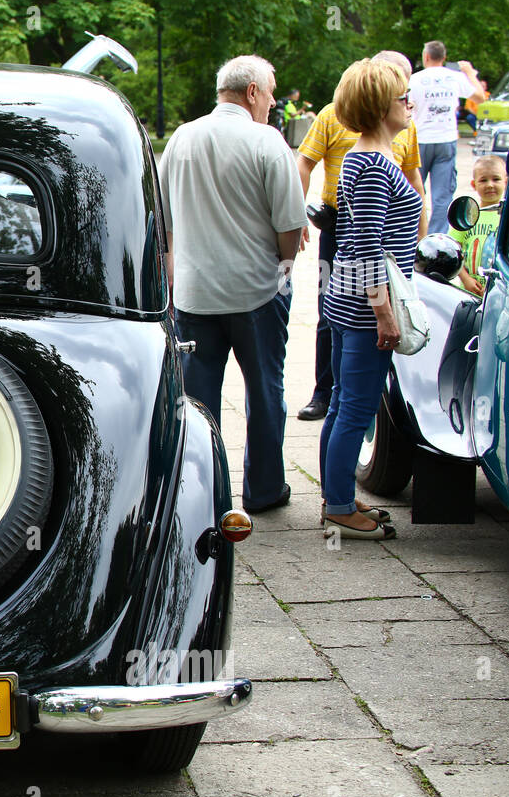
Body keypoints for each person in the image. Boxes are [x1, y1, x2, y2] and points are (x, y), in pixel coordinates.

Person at [159, 54, 306, 513]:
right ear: (253, 93)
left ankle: (204, 494)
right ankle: (263, 491)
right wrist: (284, 268)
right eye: (272, 90)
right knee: (265, 393)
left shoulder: (181, 138)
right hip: (256, 292)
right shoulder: (267, 141)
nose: (275, 100)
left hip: (194, 294)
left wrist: (171, 277)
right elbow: (291, 225)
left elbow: (160, 220)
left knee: (197, 403)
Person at [295, 50, 429, 422]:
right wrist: (297, 214)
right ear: (379, 99)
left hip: (381, 238)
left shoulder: (403, 131)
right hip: (342, 230)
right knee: (330, 313)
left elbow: (413, 176)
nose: (409, 103)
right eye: (402, 95)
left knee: (340, 320)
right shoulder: (339, 126)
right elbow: (305, 162)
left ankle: (361, 393)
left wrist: (419, 231)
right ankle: (323, 389)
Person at [320, 59, 422, 540]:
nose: (410, 105)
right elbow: (365, 243)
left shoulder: (362, 157)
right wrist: (383, 312)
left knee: (343, 405)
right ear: (382, 106)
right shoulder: (376, 164)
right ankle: (339, 506)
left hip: (345, 301)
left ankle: (336, 495)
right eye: (403, 98)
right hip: (364, 310)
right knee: (356, 409)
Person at [408, 41, 485, 234]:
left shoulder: (415, 79)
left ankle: (413, 234)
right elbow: (480, 97)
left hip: (420, 140)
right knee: (442, 195)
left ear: (426, 57)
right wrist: (470, 73)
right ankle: (436, 237)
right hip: (445, 139)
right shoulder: (455, 77)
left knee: (414, 191)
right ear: (444, 57)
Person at [449, 155, 506, 296]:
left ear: (506, 182)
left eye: (496, 179)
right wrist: (466, 279)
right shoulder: (466, 216)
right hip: (469, 292)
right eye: (483, 180)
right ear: (474, 185)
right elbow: (453, 251)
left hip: (500, 294)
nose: (490, 185)